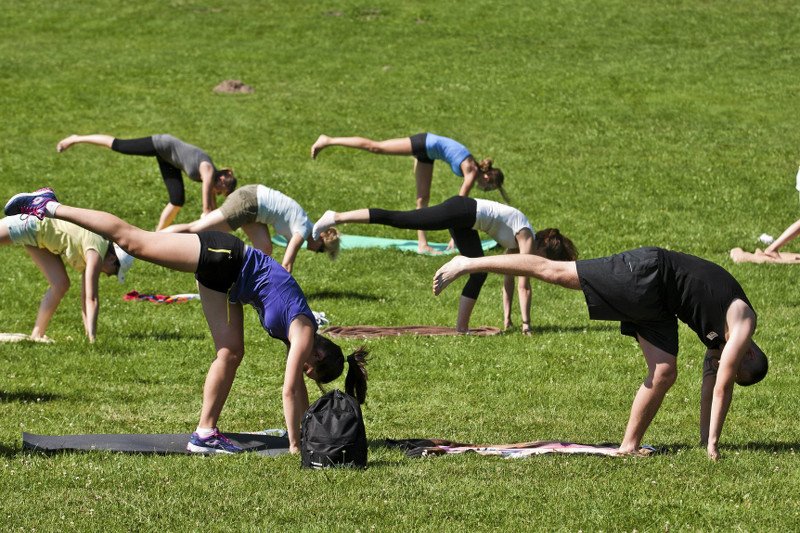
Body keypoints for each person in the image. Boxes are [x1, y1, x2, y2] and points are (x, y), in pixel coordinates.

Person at [5, 188, 368, 455]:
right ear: (319, 355)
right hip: (226, 257)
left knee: (230, 352)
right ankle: (49, 206)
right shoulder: (304, 330)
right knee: (132, 241)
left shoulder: (301, 335)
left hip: (229, 281)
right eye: (313, 371)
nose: (306, 374)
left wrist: (303, 432)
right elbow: (290, 388)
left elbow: (297, 388)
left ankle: (205, 434)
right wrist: (295, 446)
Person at [432, 247, 769, 460]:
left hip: (660, 305)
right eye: (732, 363)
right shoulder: (742, 323)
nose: (720, 361)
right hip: (650, 273)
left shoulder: (721, 338)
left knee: (665, 371)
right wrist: (713, 446)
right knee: (556, 271)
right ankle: (469, 263)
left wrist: (703, 440)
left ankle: (629, 446)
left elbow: (711, 384)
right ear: (749, 355)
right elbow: (723, 384)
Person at [312, 196, 577, 334]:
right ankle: (336, 217)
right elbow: (524, 285)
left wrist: (508, 320)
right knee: (402, 219)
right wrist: (527, 326)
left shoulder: (520, 240)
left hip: (467, 221)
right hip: (462, 210)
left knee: (479, 271)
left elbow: (509, 279)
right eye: (548, 259)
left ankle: (461, 330)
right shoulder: (526, 237)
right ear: (545, 248)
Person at [311, 133, 508, 253]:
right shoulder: (472, 171)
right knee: (376, 147)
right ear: (488, 178)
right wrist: (455, 237)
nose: (484, 190)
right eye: (488, 188)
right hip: (424, 143)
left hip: (428, 155)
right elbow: (460, 202)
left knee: (422, 200)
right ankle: (328, 140)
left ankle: (423, 244)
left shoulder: (472, 166)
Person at [56, 134, 237, 230]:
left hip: (169, 160)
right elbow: (207, 196)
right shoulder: (208, 169)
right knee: (119, 145)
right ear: (222, 179)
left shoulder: (212, 175)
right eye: (221, 190)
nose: (218, 192)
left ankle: (158, 234)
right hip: (161, 144)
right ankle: (76, 138)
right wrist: (207, 214)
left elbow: (211, 200)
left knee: (177, 200)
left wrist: (214, 215)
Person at [0, 213, 132, 342]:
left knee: (61, 284)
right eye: (115, 271)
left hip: (37, 237)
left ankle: (37, 335)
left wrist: (89, 336)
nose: (109, 275)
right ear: (112, 258)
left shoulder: (93, 254)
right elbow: (92, 299)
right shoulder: (96, 252)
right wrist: (93, 340)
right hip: (29, 224)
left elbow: (86, 298)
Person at [162, 184, 339, 273]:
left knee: (264, 250)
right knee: (196, 229)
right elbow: (287, 264)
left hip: (256, 209)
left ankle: (241, 283)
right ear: (321, 237)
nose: (317, 251)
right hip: (249, 203)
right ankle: (154, 238)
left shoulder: (305, 225)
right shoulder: (304, 230)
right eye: (321, 250)